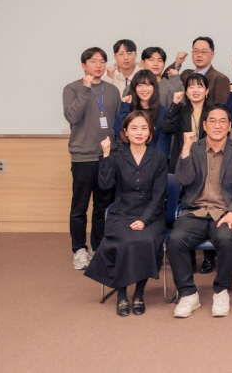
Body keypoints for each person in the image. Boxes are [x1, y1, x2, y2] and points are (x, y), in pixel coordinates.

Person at [167, 104, 232, 318]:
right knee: (176, 240)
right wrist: (185, 150)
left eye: (222, 121)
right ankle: (188, 293)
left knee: (226, 239)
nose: (217, 125)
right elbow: (183, 179)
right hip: (195, 211)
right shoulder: (193, 148)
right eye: (212, 121)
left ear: (229, 126)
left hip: (225, 212)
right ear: (204, 125)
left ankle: (221, 290)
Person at [84, 112, 168, 317]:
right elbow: (105, 186)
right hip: (122, 211)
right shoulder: (117, 156)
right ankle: (121, 294)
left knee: (146, 240)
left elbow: (159, 196)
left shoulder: (158, 158)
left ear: (150, 132)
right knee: (123, 242)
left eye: (144, 128)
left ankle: (138, 293)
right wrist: (105, 155)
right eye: (134, 128)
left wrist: (144, 220)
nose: (139, 132)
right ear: (125, 132)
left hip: (150, 214)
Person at [63, 47, 121, 269]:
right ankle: (79, 250)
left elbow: (117, 123)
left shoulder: (112, 90)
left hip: (108, 156)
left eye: (102, 61)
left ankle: (98, 247)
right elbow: (72, 116)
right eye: (93, 61)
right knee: (80, 207)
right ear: (83, 65)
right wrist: (86, 90)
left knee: (102, 206)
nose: (98, 65)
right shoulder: (72, 88)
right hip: (83, 156)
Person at [113, 69, 169, 156]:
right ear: (134, 88)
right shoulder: (128, 108)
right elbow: (119, 132)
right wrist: (125, 107)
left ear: (154, 87)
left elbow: (162, 143)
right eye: (139, 85)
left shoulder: (161, 111)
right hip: (128, 158)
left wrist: (157, 161)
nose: (144, 89)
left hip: (152, 159)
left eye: (148, 85)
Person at [162, 73, 210, 173]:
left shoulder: (212, 112)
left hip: (206, 160)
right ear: (186, 92)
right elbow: (167, 128)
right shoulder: (180, 110)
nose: (195, 90)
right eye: (191, 87)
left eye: (199, 87)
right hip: (182, 160)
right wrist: (174, 104)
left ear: (206, 91)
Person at [178, 36, 231, 105]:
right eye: (196, 51)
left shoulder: (220, 79)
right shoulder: (185, 74)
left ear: (212, 55)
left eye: (204, 52)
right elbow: (165, 79)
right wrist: (177, 63)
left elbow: (220, 107)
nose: (199, 55)